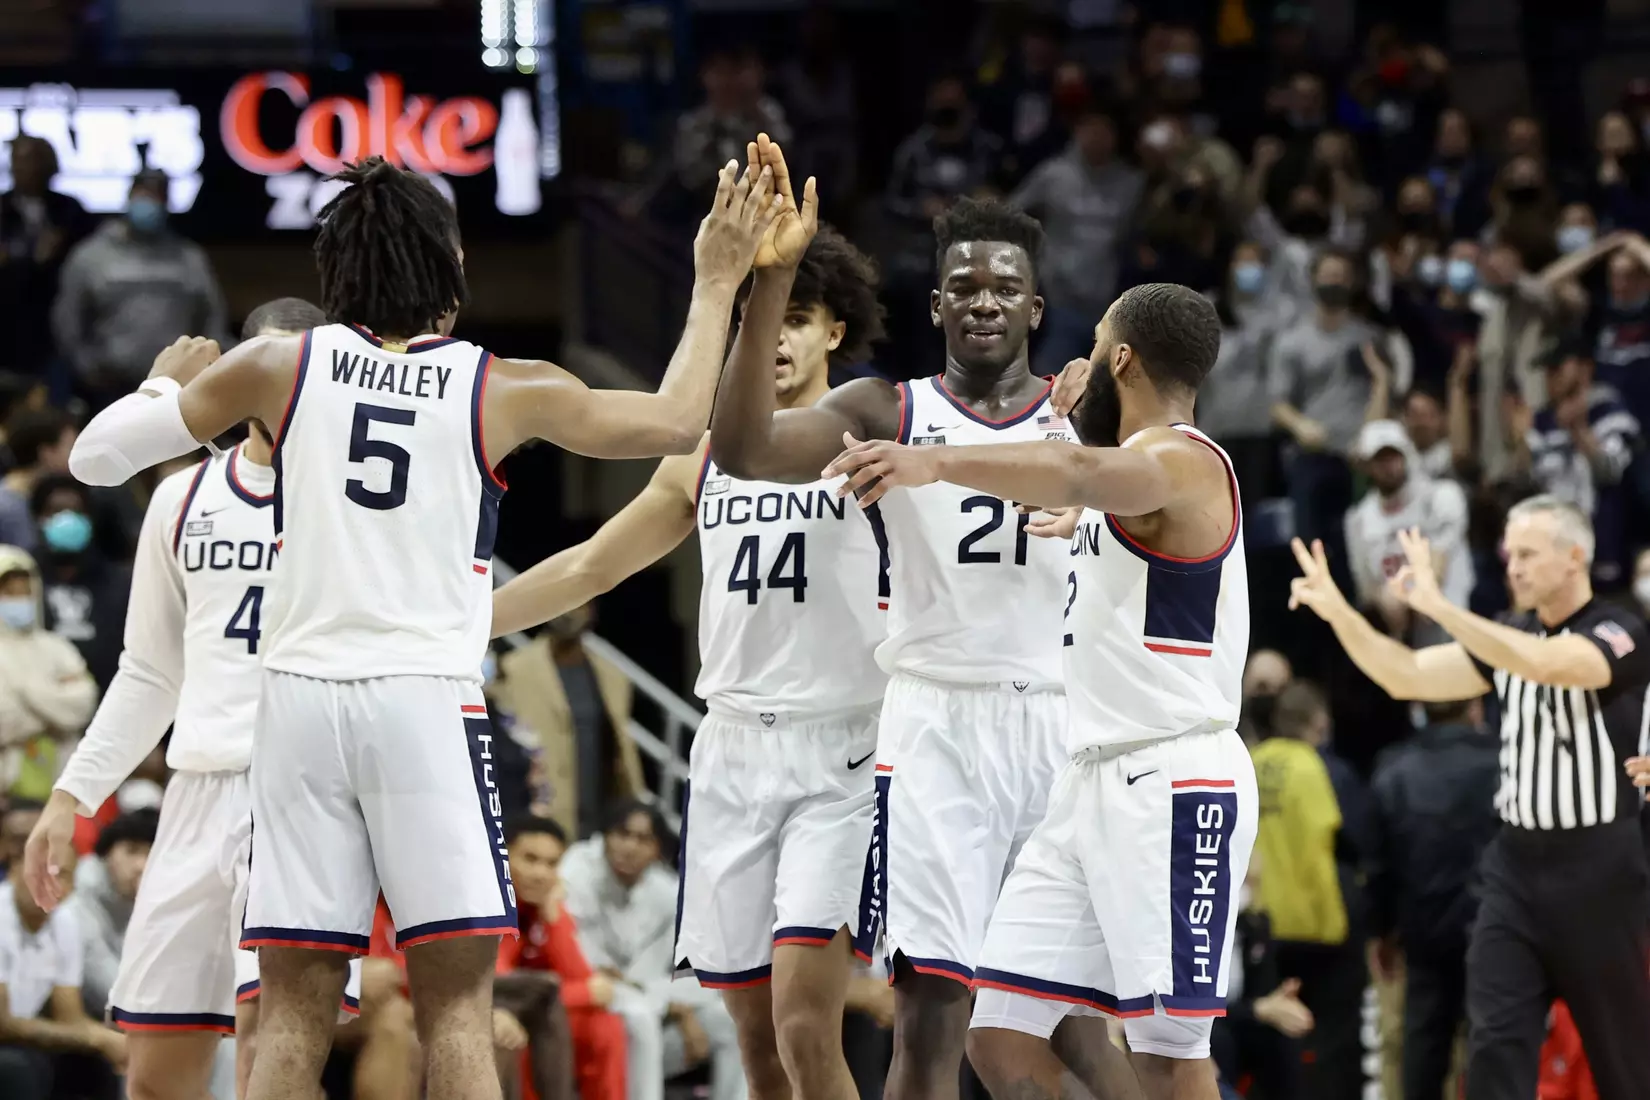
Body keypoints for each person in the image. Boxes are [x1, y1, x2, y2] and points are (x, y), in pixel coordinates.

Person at [64, 151, 781, 1100]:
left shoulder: (281, 362)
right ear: (448, 266)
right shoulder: (499, 384)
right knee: (454, 1006)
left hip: (298, 709)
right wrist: (718, 276)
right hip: (424, 705)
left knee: (289, 1011)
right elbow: (675, 419)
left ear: (338, 271)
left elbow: (95, 461)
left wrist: (164, 389)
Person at [709, 138, 1085, 1100]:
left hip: (1058, 722)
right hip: (933, 731)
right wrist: (772, 282)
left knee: (1073, 1018)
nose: (984, 300)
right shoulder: (886, 408)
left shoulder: (1089, 421)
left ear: (1035, 308)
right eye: (963, 285)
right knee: (932, 1015)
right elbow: (747, 447)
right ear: (937, 306)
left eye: (1005, 286)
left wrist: (1102, 501)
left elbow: (1175, 503)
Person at [824, 282, 1253, 1100]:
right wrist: (1077, 497)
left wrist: (933, 459)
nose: (1081, 359)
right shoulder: (1128, 487)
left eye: (1095, 342)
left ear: (1120, 357)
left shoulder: (1181, 457)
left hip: (1173, 781)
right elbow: (1086, 486)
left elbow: (1075, 470)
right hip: (1087, 781)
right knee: (1000, 1036)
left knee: (1169, 1056)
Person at [491, 225, 887, 1100]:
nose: (775, 337)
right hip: (733, 753)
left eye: (797, 317)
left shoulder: (868, 433)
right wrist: (465, 622)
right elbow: (593, 564)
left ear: (832, 331)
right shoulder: (705, 455)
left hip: (841, 754)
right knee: (750, 1034)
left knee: (804, 1022)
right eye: (758, 318)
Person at [23, 298, 368, 1100]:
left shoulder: (355, 496)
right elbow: (149, 673)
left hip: (302, 793)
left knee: (268, 1051)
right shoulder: (181, 500)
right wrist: (69, 796)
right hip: (195, 794)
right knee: (155, 1074)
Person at [1288, 496, 1650, 1100]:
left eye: (1530, 554)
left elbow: (1552, 664)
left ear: (1576, 557)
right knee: (1492, 1050)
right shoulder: (1508, 634)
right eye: (1510, 555)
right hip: (1514, 871)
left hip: (1602, 873)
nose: (1514, 566)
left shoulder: (1620, 629)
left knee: (1627, 1066)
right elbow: (1406, 673)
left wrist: (1438, 606)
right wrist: (1340, 614)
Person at [559, 801, 746, 1100]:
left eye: (643, 839)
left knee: (732, 1020)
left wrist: (678, 1007)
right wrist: (668, 1003)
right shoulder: (578, 870)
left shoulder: (666, 891)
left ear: (657, 849)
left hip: (646, 1013)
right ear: (605, 836)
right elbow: (586, 966)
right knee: (640, 1014)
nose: (630, 847)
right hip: (592, 1014)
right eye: (622, 834)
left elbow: (702, 974)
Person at [1365, 697, 1499, 1100]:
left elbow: (1379, 866)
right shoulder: (1505, 762)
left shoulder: (1395, 769)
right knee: (1491, 1046)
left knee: (1423, 1050)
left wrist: (1382, 932)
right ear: (1474, 706)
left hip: (1424, 933)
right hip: (1495, 930)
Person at [1249, 682, 1364, 1100]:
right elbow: (1352, 838)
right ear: (1318, 721)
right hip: (1320, 923)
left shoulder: (1252, 761)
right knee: (1333, 1042)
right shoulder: (1321, 767)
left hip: (1262, 924)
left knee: (1275, 1040)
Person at [51, 169, 230, 410]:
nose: (150, 203)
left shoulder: (189, 257)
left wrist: (209, 364)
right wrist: (87, 367)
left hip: (175, 386)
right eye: (144, 194)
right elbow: (68, 319)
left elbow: (213, 316)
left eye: (158, 196)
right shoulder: (91, 256)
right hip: (110, 385)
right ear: (130, 196)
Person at [498, 815, 625, 1100]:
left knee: (604, 1026)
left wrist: (553, 916)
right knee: (518, 1029)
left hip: (543, 1010)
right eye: (530, 859)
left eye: (552, 863)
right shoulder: (493, 907)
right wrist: (583, 993)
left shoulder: (545, 907)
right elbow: (500, 989)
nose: (541, 873)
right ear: (502, 858)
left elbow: (582, 978)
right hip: (501, 1010)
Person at [1010, 107, 1144, 375]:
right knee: (1048, 381)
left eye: (1104, 131)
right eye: (1090, 129)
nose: (1097, 137)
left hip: (1107, 305)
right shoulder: (1053, 174)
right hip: (1058, 299)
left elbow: (1137, 236)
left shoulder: (1132, 183)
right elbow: (1012, 211)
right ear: (1077, 132)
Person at [0, 820, 126, 1100]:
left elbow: (68, 1014)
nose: (50, 883)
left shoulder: (65, 921)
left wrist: (117, 1041)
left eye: (63, 874)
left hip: (23, 1039)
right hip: (8, 1041)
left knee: (96, 1064)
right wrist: (98, 1038)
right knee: (17, 1069)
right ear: (15, 868)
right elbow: (3, 1023)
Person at [1344, 419, 1472, 644]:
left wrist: (1403, 595)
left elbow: (1436, 571)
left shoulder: (1442, 497)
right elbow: (1368, 590)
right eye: (1380, 459)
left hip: (1452, 622)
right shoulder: (1358, 520)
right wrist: (1386, 602)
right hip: (1398, 630)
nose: (1388, 465)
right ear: (1366, 466)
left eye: (1394, 456)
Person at [0, 546, 97, 803]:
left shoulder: (57, 647)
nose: (19, 600)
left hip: (63, 782)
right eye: (8, 593)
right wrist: (54, 703)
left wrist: (24, 692)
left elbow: (82, 704)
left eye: (25, 591)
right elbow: (5, 718)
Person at [0, 135, 93, 379]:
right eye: (16, 160)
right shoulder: (2, 208)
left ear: (48, 165)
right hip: (9, 321)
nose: (20, 167)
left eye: (29, 160)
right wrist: (30, 261)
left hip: (60, 319)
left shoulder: (70, 210)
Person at [30, 474, 133, 692]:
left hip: (106, 699)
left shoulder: (120, 582)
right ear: (39, 518)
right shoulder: (23, 577)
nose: (67, 519)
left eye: (76, 512)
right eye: (56, 511)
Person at [68, 808, 157, 1020]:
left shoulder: (150, 900)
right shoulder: (77, 902)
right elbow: (110, 990)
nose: (141, 866)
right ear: (106, 853)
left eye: (151, 855)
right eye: (132, 851)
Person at [0, 405, 76, 552]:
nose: (77, 455)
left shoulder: (43, 496)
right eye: (70, 447)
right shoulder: (6, 508)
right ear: (46, 453)